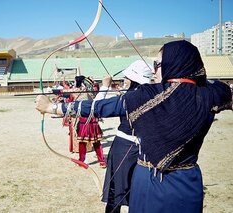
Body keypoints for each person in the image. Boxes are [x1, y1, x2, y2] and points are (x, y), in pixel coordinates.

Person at [35, 40, 232, 212]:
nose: (154, 69)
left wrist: (52, 107)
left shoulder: (146, 95)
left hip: (149, 180)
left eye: (158, 64)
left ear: (173, 64)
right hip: (187, 181)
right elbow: (218, 87)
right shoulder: (213, 95)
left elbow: (99, 107)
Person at [101, 60, 153, 213]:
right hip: (144, 149)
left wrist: (104, 86)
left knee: (115, 192)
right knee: (138, 193)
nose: (124, 80)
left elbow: (96, 108)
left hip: (123, 148)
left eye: (127, 78)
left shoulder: (128, 98)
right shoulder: (152, 96)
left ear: (134, 80)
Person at [64, 75, 106, 168]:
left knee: (82, 142)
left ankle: (82, 160)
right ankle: (102, 161)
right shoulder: (90, 93)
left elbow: (67, 95)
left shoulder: (75, 92)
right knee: (97, 142)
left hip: (84, 119)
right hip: (92, 119)